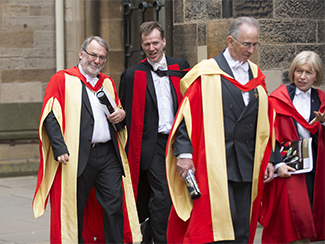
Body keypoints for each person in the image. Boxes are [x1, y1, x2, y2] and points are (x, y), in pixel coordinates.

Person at [165, 16, 277, 243]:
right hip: (213, 163)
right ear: (230, 40)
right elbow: (188, 117)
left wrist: (271, 158)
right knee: (214, 226)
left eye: (255, 44)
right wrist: (184, 154)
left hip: (247, 161)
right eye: (247, 44)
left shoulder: (256, 76)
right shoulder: (206, 72)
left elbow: (265, 121)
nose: (251, 50)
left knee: (243, 226)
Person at [32, 36, 141, 244]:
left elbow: (117, 112)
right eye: (93, 55)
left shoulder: (107, 82)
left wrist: (122, 114)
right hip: (78, 155)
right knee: (76, 207)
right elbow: (50, 116)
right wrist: (60, 148)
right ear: (82, 54)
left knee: (114, 206)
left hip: (108, 154)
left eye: (102, 57)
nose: (97, 61)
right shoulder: (62, 79)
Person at [119, 21, 190, 243]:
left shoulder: (181, 67)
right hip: (152, 145)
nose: (151, 48)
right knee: (163, 196)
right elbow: (123, 111)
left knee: (183, 193)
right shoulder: (132, 74)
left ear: (164, 42)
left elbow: (192, 103)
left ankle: (150, 233)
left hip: (179, 141)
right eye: (147, 44)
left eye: (155, 43)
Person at [260, 51, 325, 243]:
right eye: (299, 71)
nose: (303, 77)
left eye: (309, 72)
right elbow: (268, 135)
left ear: (316, 75)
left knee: (311, 217)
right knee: (291, 220)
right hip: (288, 166)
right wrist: (278, 164)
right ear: (293, 72)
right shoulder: (277, 98)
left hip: (316, 168)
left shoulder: (322, 100)